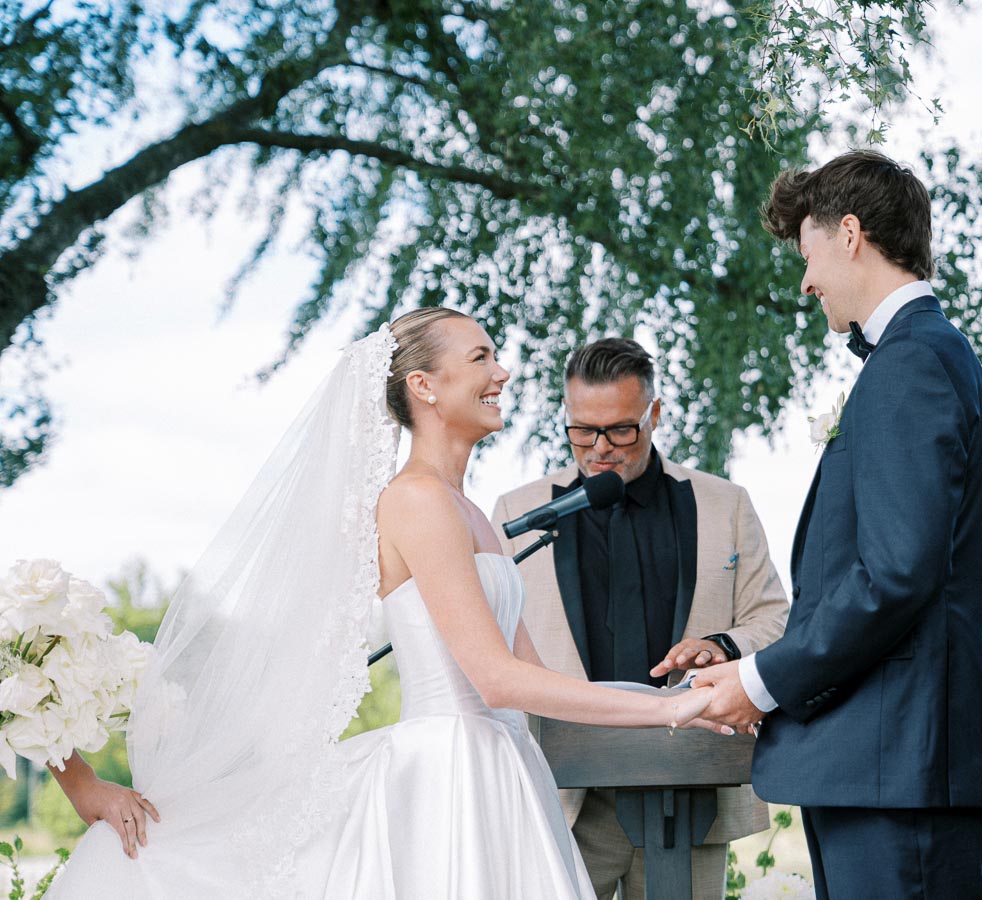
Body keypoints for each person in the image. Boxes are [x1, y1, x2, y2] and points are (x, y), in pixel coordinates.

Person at [45, 308, 722, 898]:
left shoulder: (470, 511)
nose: (503, 373)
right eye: (481, 357)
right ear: (423, 385)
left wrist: (684, 702)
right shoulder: (415, 501)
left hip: (503, 768)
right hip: (447, 776)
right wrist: (671, 708)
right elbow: (495, 678)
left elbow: (540, 683)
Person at [693, 151, 982, 899]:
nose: (806, 281)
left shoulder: (914, 363)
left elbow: (895, 573)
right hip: (882, 764)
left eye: (808, 255)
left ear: (851, 235)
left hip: (898, 763)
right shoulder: (918, 357)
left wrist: (763, 681)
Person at [491, 338, 789, 900]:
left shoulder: (726, 503)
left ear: (654, 414)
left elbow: (773, 618)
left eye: (621, 430)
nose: (600, 449)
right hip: (563, 799)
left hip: (694, 787)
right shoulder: (518, 514)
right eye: (583, 430)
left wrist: (723, 645)